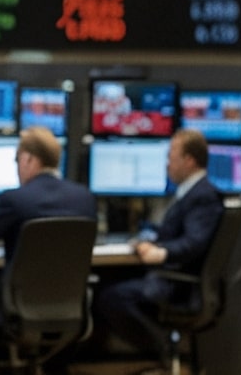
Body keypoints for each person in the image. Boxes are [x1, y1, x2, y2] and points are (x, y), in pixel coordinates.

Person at [93, 129, 224, 369]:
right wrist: (148, 236)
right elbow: (175, 232)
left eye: (170, 157)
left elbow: (195, 242)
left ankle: (161, 346)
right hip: (175, 277)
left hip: (178, 284)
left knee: (110, 296)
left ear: (189, 160)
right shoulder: (192, 192)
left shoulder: (202, 196)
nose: (166, 164)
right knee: (108, 281)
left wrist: (160, 252)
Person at [0, 126, 96, 262]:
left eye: (17, 159)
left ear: (28, 159)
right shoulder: (84, 197)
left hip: (22, 284)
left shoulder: (13, 200)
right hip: (73, 283)